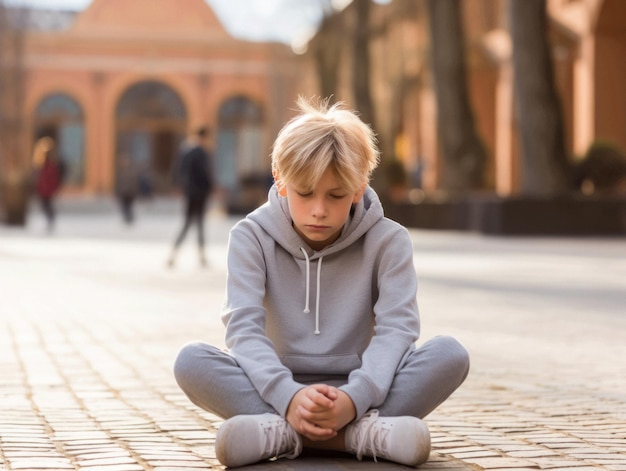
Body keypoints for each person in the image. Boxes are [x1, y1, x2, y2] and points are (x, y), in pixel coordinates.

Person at [173, 97, 470, 468]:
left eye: (336, 195)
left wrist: (353, 399)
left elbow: (397, 330)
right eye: (304, 192)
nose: (319, 209)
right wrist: (289, 397)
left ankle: (286, 434)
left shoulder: (389, 241)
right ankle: (357, 437)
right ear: (280, 181)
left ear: (359, 188)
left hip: (364, 389)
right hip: (275, 389)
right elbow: (243, 329)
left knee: (449, 354)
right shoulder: (250, 236)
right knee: (191, 361)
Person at [167, 126, 215, 268]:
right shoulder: (200, 152)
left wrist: (177, 185)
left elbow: (177, 169)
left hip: (189, 192)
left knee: (188, 224)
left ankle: (174, 255)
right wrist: (211, 187)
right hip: (199, 192)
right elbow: (204, 173)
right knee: (197, 224)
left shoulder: (185, 149)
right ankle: (201, 257)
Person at [34, 142, 63, 232]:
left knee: (47, 205)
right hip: (45, 190)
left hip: (47, 190)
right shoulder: (45, 167)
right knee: (45, 205)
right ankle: (50, 218)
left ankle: (51, 218)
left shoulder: (50, 167)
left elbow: (52, 179)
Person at [115, 154, 140, 225]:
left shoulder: (131, 172)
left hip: (130, 193)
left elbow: (135, 183)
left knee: (129, 206)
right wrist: (117, 193)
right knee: (124, 206)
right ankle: (127, 217)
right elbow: (118, 184)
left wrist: (135, 192)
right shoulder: (120, 172)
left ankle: (130, 217)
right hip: (123, 192)